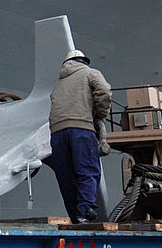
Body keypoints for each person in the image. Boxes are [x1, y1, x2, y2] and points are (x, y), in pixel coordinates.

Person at [47, 49, 112, 224]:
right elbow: (104, 91)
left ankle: (76, 217)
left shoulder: (58, 83)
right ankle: (85, 212)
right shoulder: (90, 73)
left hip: (57, 133)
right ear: (83, 61)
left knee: (66, 176)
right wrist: (100, 115)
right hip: (81, 129)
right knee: (87, 170)